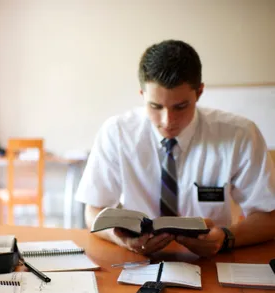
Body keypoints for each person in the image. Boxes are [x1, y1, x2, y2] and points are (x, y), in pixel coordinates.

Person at [76, 40, 275, 258]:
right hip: (137, 262)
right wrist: (122, 239)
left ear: (199, 93)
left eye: (180, 107)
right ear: (142, 94)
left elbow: (270, 217)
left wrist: (226, 237)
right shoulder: (117, 133)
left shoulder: (239, 134)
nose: (167, 120)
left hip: (212, 261)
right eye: (155, 106)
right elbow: (93, 210)